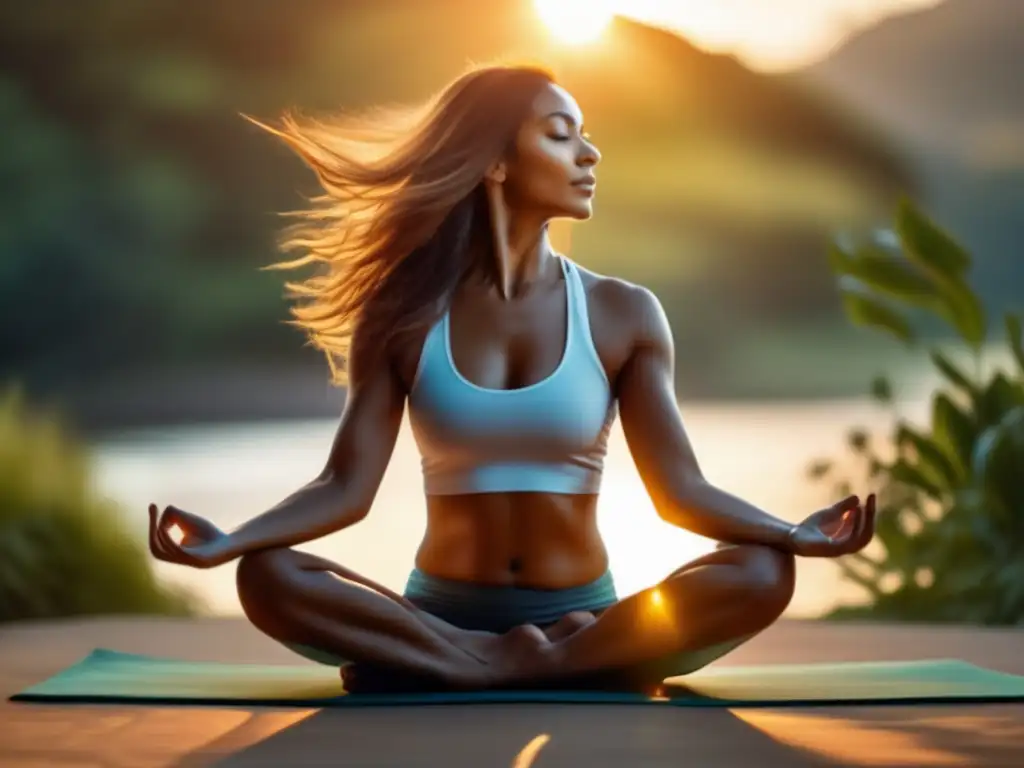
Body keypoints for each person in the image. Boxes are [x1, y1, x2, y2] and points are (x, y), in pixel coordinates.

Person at [147, 63, 877, 693]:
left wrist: (790, 533)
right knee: (267, 577)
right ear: (495, 161)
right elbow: (344, 489)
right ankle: (538, 664)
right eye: (561, 134)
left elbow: (680, 494)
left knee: (762, 573)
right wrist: (231, 543)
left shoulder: (624, 313)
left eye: (585, 135)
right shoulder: (401, 314)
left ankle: (474, 667)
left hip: (583, 613)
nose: (590, 154)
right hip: (439, 614)